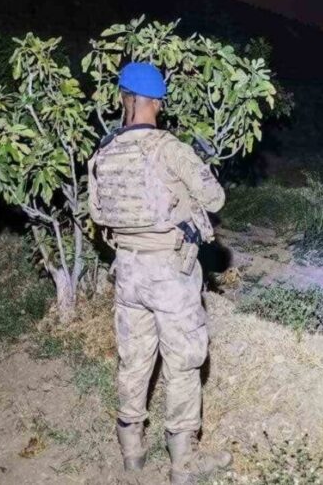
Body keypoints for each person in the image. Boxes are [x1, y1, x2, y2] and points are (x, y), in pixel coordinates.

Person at [87, 62, 231, 485]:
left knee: (134, 361)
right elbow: (215, 198)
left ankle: (132, 455)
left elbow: (97, 213)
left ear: (123, 100)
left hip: (128, 269)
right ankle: (182, 465)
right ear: (159, 104)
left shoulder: (105, 151)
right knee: (183, 363)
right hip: (170, 271)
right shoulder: (170, 149)